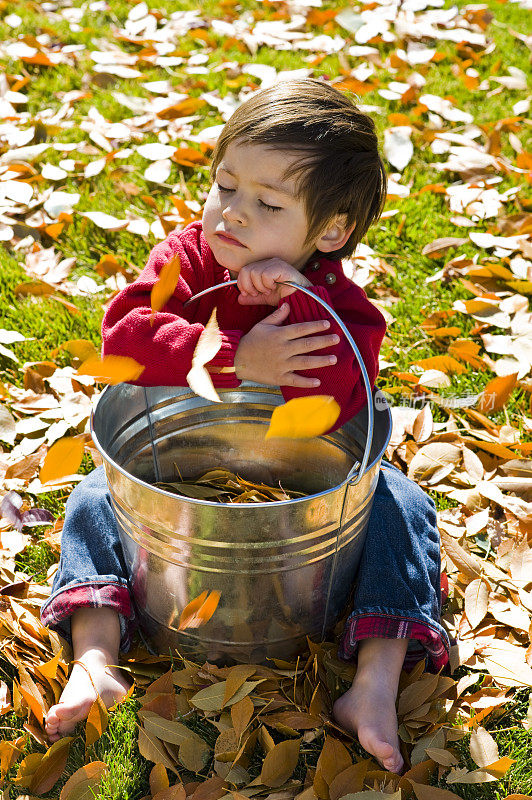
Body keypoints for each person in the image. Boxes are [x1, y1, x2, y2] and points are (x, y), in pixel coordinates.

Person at [41, 78, 449, 773]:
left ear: (329, 231)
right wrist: (235, 356)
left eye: (266, 203)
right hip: (176, 488)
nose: (231, 214)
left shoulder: (335, 306)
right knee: (92, 499)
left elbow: (343, 405)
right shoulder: (188, 262)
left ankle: (375, 682)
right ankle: (97, 658)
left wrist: (298, 306)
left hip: (299, 505)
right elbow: (123, 337)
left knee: (401, 504)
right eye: (224, 185)